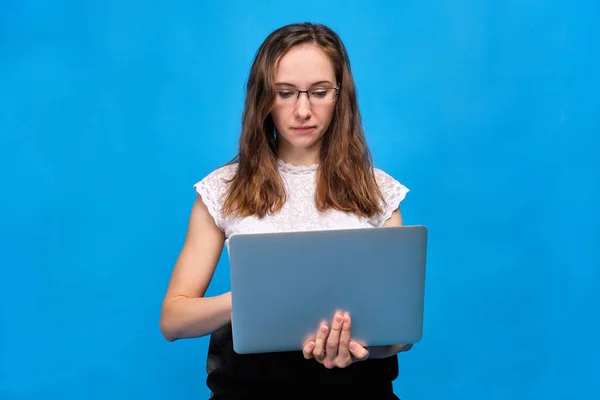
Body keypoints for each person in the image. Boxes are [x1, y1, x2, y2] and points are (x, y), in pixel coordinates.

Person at [159, 22, 413, 399]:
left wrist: (358, 351)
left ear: (341, 96)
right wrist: (256, 297)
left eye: (320, 92)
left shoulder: (377, 190)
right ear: (263, 97)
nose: (303, 110)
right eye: (285, 93)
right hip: (248, 390)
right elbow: (174, 320)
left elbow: (400, 334)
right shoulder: (223, 189)